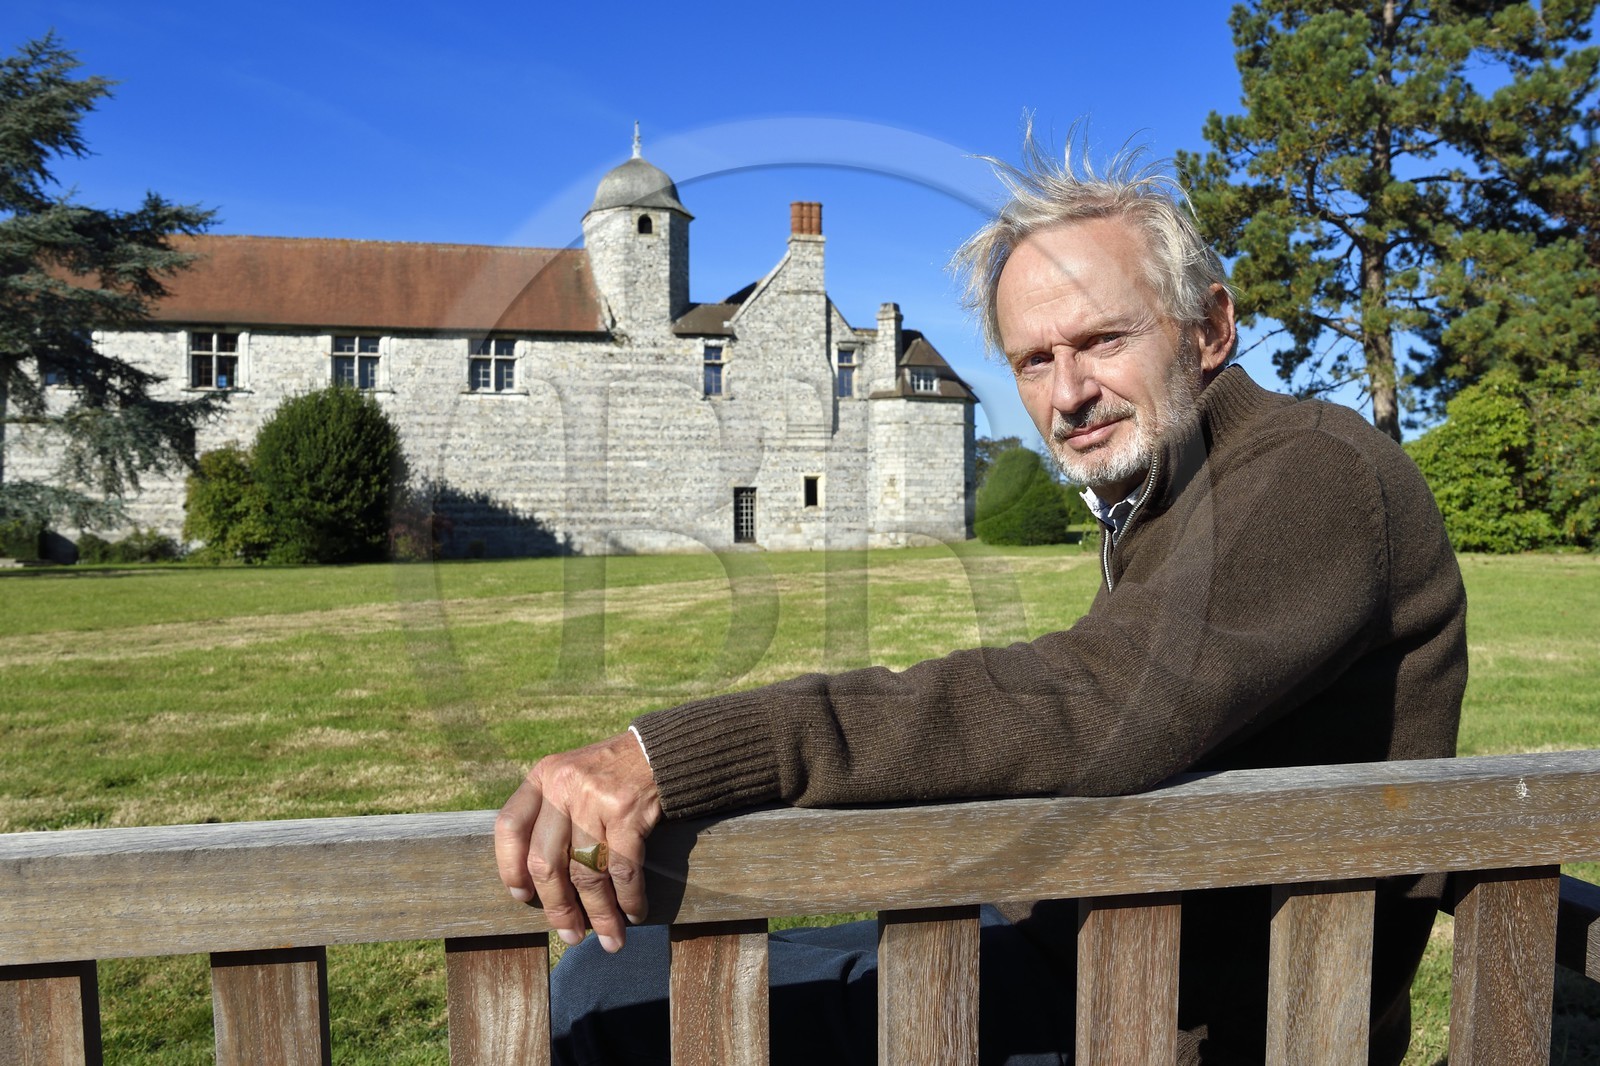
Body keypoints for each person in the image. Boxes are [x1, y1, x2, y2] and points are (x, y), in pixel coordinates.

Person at [494, 132, 1467, 1065]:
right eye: (1033, 360)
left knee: (613, 998)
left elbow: (1094, 701)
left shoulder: (1313, 472)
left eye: (1101, 339)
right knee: (618, 968)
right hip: (1094, 950)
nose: (1068, 392)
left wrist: (678, 756)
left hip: (1159, 1015)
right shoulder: (1181, 490)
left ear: (1210, 328)